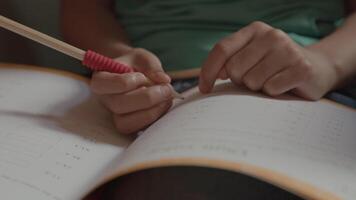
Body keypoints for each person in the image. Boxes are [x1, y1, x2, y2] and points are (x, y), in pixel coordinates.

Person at [61, 0, 356, 134]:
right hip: (146, 92)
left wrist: (325, 63)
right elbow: (83, 7)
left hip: (303, 84)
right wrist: (117, 58)